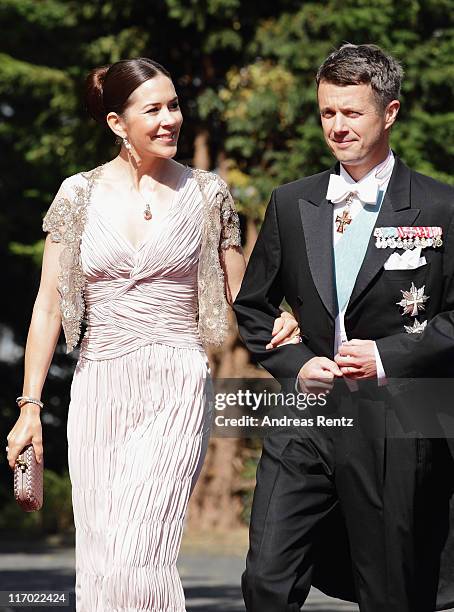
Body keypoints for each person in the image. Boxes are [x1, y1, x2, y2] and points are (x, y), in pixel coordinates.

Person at [5, 57, 301, 611]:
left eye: (174, 105)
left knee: (141, 554)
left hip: (175, 382)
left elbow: (244, 296)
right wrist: (28, 407)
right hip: (98, 385)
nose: (170, 119)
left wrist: (286, 329)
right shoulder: (78, 195)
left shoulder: (209, 194)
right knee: (102, 559)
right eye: (154, 109)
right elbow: (48, 305)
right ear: (117, 123)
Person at [233, 43, 454, 612]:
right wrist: (294, 362)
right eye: (327, 112)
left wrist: (388, 356)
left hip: (398, 418)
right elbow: (253, 305)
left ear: (391, 112)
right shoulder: (292, 202)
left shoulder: (441, 206)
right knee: (266, 581)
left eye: (351, 112)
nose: (337, 126)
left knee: (389, 592)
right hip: (306, 416)